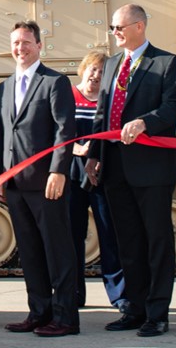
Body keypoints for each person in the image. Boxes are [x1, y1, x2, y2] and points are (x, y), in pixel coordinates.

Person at [84, 4, 176, 338]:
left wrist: (145, 122)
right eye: (113, 27)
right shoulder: (113, 64)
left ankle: (157, 313)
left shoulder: (166, 62)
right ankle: (134, 307)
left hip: (151, 169)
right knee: (127, 241)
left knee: (157, 241)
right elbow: (103, 112)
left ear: (139, 26)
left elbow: (173, 107)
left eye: (119, 27)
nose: (114, 33)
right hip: (114, 168)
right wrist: (94, 156)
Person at [0, 21, 78, 337]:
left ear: (40, 46)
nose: (20, 48)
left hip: (46, 183)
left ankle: (66, 318)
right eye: (16, 42)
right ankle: (39, 313)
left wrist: (58, 170)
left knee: (57, 251)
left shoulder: (55, 82)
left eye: (26, 42)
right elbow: (3, 134)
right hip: (15, 185)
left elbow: (65, 130)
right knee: (29, 252)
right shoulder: (5, 87)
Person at [66, 50, 127, 315]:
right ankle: (73, 292)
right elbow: (54, 131)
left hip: (102, 172)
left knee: (109, 234)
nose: (96, 75)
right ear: (83, 68)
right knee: (72, 234)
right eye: (92, 69)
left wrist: (98, 153)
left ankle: (119, 295)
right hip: (71, 172)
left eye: (102, 72)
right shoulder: (68, 95)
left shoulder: (109, 99)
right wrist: (77, 149)